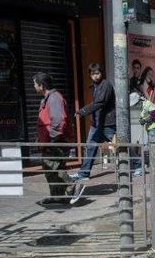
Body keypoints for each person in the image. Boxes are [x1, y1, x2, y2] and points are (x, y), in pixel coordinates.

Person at [34, 72, 85, 205]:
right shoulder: (48, 98)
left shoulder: (54, 98)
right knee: (51, 168)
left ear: (42, 85)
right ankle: (58, 197)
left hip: (56, 142)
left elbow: (59, 121)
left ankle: (71, 184)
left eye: (35, 83)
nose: (34, 86)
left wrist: (51, 139)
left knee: (52, 167)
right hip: (50, 141)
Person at [70, 63, 116, 180]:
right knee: (90, 147)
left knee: (121, 145)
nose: (95, 76)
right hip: (97, 124)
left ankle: (137, 165)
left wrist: (83, 111)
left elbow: (100, 102)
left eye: (97, 73)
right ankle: (84, 174)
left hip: (107, 123)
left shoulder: (106, 85)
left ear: (101, 73)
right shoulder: (94, 86)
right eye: (92, 74)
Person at [130, 90, 155, 176]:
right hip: (151, 126)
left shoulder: (147, 104)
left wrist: (145, 120)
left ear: (139, 101)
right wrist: (143, 120)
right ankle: (154, 158)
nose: (135, 106)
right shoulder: (144, 105)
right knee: (151, 143)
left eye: (135, 104)